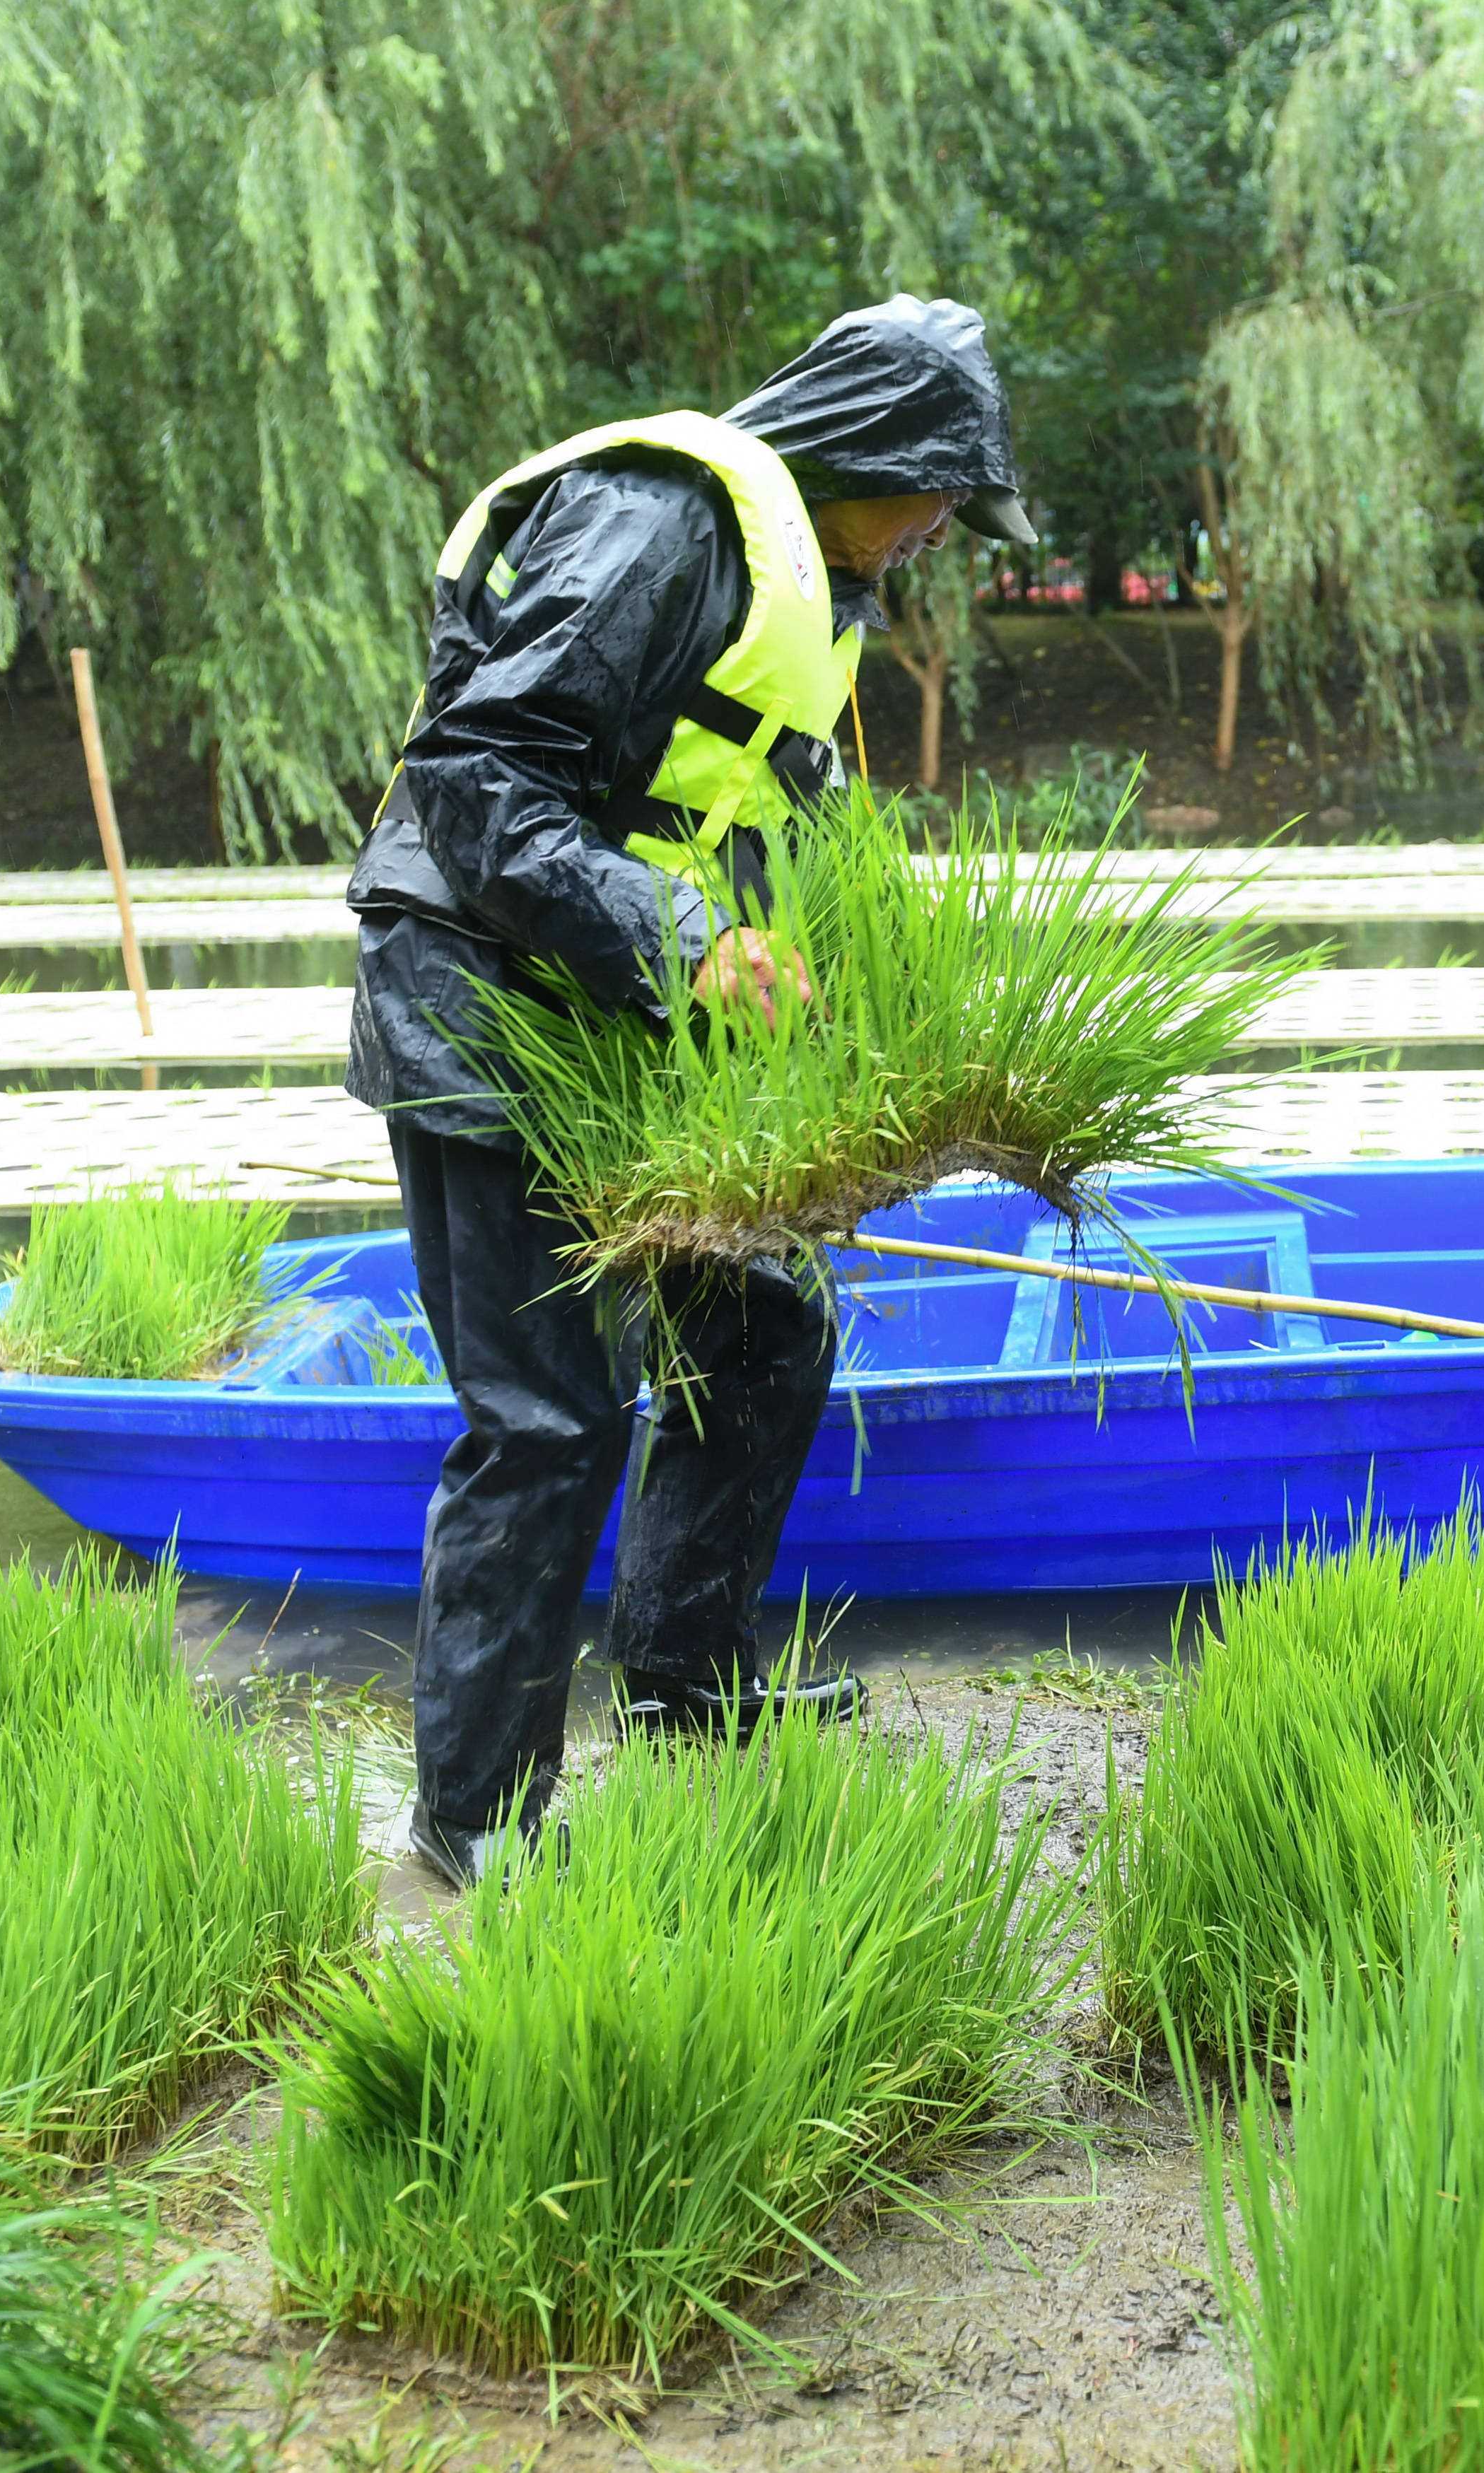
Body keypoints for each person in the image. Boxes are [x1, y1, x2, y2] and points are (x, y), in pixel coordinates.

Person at [342, 296, 1038, 1888]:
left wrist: (909, 1062)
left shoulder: (814, 590)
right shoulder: (659, 524)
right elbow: (472, 779)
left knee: (762, 1333)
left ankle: (689, 1690)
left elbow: (773, 845)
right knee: (545, 1418)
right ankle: (472, 1826)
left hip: (617, 1008)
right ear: (869, 449)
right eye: (937, 493)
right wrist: (684, 941)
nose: (941, 530)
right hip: (482, 1000)